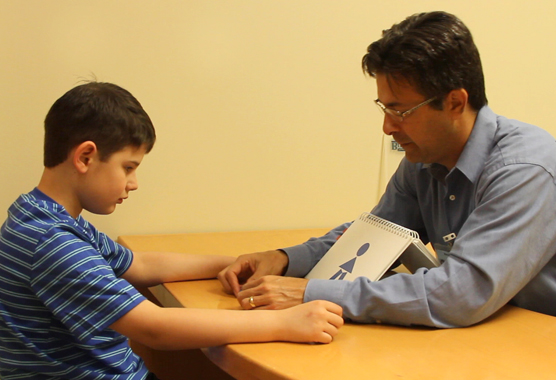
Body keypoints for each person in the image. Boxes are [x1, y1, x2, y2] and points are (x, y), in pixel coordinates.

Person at [218, 11, 556, 328]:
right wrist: (285, 259)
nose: (387, 127)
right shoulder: (425, 158)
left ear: (455, 102)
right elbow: (371, 239)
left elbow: (459, 295)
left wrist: (309, 293)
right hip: (495, 332)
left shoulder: (524, 170)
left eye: (402, 111)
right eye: (383, 107)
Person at [0, 82, 344, 380]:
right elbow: (154, 328)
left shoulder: (45, 217)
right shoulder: (51, 242)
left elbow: (139, 265)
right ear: (86, 157)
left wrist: (233, 261)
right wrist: (285, 324)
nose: (133, 184)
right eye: (128, 167)